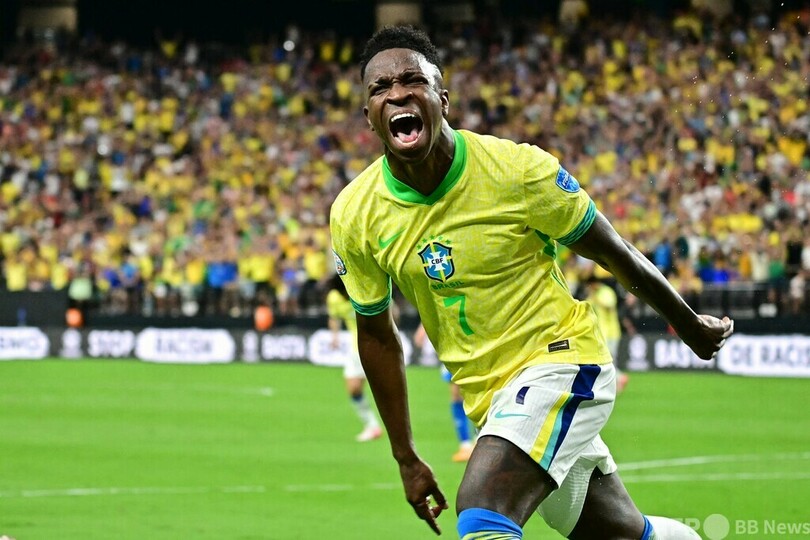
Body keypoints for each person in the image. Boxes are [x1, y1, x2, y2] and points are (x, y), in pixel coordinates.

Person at [329, 25, 733, 539]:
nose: (398, 94)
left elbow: (614, 251)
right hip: (491, 400)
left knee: (482, 510)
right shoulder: (355, 214)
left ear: (442, 100)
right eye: (380, 88)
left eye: (414, 81)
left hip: (561, 361)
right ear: (368, 115)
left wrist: (688, 323)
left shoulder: (517, 170)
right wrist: (405, 456)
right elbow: (377, 334)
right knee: (621, 533)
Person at [325, 274, 383, 442]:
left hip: (377, 345)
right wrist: (334, 336)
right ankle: (372, 425)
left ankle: (391, 428)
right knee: (353, 388)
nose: (343, 297)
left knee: (382, 388)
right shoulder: (334, 298)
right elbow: (334, 317)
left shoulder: (363, 290)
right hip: (356, 347)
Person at [414, 323, 475, 462]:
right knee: (457, 396)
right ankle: (465, 444)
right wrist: (423, 327)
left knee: (474, 394)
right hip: (454, 345)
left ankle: (477, 441)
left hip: (470, 342)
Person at [583, 275, 629, 393]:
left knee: (609, 358)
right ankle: (617, 380)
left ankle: (619, 378)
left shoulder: (606, 291)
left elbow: (609, 306)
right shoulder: (594, 294)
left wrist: (596, 298)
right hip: (601, 332)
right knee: (605, 359)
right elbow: (586, 307)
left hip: (611, 332)